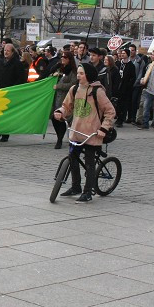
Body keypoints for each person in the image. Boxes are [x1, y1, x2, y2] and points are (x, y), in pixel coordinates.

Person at [53, 63, 117, 204]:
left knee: (89, 164)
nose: (78, 76)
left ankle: (87, 192)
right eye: (78, 73)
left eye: (82, 74)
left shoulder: (97, 92)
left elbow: (110, 111)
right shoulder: (74, 89)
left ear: (88, 75)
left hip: (93, 134)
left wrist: (104, 129)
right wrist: (60, 112)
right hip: (76, 132)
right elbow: (66, 106)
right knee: (73, 160)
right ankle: (75, 186)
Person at [0, 43, 27, 142]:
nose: (6, 52)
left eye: (8, 50)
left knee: (6, 113)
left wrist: (13, 88)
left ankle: (5, 134)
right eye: (4, 50)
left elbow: (21, 78)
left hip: (10, 91)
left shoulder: (17, 63)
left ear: (12, 52)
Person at [49, 52, 77, 149]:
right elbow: (49, 76)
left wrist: (59, 86)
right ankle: (58, 136)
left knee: (62, 119)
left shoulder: (73, 71)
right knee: (54, 118)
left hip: (65, 98)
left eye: (65, 57)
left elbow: (73, 84)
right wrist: (54, 75)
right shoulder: (60, 68)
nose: (62, 59)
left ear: (69, 59)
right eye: (61, 57)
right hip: (56, 98)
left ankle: (60, 139)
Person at [138, 49, 154, 130]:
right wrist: (143, 80)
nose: (151, 56)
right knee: (146, 107)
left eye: (152, 54)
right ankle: (145, 123)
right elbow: (146, 76)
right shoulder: (150, 65)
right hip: (148, 90)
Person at [114, 49, 135, 127]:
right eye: (121, 53)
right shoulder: (118, 64)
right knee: (117, 104)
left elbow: (133, 78)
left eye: (124, 53)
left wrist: (128, 85)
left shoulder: (131, 65)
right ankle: (118, 117)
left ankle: (121, 119)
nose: (122, 54)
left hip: (125, 89)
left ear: (128, 54)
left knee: (123, 105)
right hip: (118, 87)